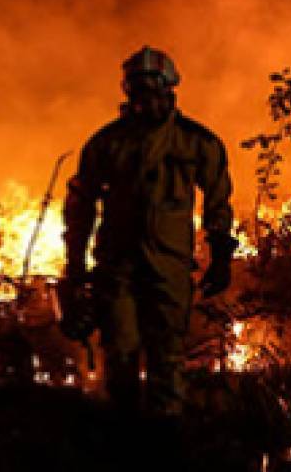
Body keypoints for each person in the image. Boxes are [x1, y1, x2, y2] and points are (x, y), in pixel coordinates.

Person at [61, 46, 235, 418]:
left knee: (167, 356)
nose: (146, 98)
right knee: (120, 352)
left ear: (169, 89)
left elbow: (218, 200)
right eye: (138, 89)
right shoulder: (107, 144)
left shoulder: (196, 142)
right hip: (118, 265)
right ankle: (123, 437)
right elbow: (81, 205)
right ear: (128, 91)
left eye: (153, 88)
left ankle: (165, 443)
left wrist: (221, 254)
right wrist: (74, 266)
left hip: (169, 266)